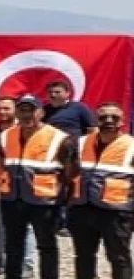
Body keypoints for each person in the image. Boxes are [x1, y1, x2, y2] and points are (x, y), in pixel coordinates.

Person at [0, 94, 71, 279]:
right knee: (13, 242)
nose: (27, 114)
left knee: (46, 245)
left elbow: (70, 171)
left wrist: (67, 198)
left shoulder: (59, 138)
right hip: (12, 197)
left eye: (31, 110)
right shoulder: (5, 135)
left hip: (44, 201)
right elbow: (1, 163)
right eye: (23, 110)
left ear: (41, 112)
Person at [59, 102, 132, 279]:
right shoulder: (82, 143)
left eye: (114, 118)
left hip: (117, 211)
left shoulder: (131, 146)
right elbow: (70, 173)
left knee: (118, 257)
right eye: (103, 118)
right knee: (83, 254)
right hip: (83, 208)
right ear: (96, 120)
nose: (109, 122)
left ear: (122, 121)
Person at [0, 95, 35, 276]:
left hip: (25, 186)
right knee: (1, 224)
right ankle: (2, 257)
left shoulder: (25, 130)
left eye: (6, 108)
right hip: (1, 185)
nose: (2, 112)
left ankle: (27, 263)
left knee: (25, 227)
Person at [44, 79, 98, 237]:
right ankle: (54, 221)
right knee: (55, 187)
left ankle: (67, 223)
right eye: (51, 93)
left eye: (57, 92)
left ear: (67, 93)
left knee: (71, 187)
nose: (53, 95)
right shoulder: (44, 110)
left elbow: (92, 130)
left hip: (73, 154)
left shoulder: (79, 108)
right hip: (50, 154)